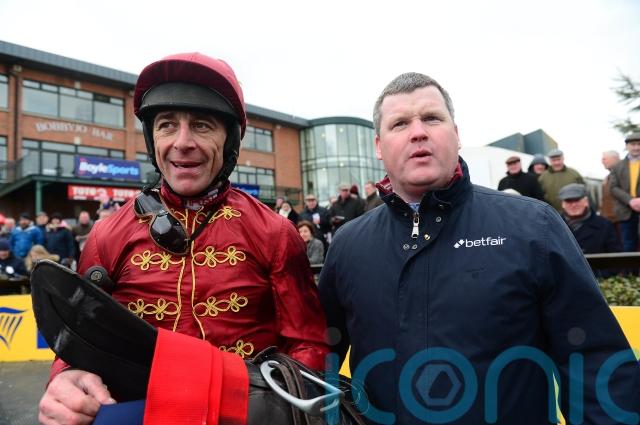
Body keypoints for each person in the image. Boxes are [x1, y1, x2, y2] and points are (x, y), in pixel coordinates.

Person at [318, 72, 639, 424]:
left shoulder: (533, 226)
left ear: (456, 135)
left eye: (432, 118)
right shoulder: (347, 246)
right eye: (400, 123)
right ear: (379, 146)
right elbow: (317, 362)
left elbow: (596, 364)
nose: (418, 132)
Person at [39, 52, 328, 424]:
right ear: (152, 138)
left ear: (230, 140)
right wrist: (64, 378)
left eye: (202, 125)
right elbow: (78, 340)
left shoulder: (275, 232)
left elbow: (308, 345)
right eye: (167, 125)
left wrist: (283, 408)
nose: (182, 142)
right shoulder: (107, 234)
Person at [559, 183, 621, 254]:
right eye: (568, 201)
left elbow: (615, 255)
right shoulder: (553, 226)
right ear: (563, 204)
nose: (573, 205)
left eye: (577, 200)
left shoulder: (605, 226)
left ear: (586, 202)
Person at [609, 132, 640, 252]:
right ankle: (630, 266)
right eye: (633, 144)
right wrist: (630, 200)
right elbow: (613, 187)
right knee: (628, 245)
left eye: (639, 144)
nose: (636, 147)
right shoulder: (618, 166)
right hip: (625, 211)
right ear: (627, 146)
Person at [600, 150, 621, 225]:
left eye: (604, 159)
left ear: (614, 158)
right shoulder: (608, 177)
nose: (602, 162)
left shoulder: (624, 174)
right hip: (609, 220)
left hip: (620, 221)